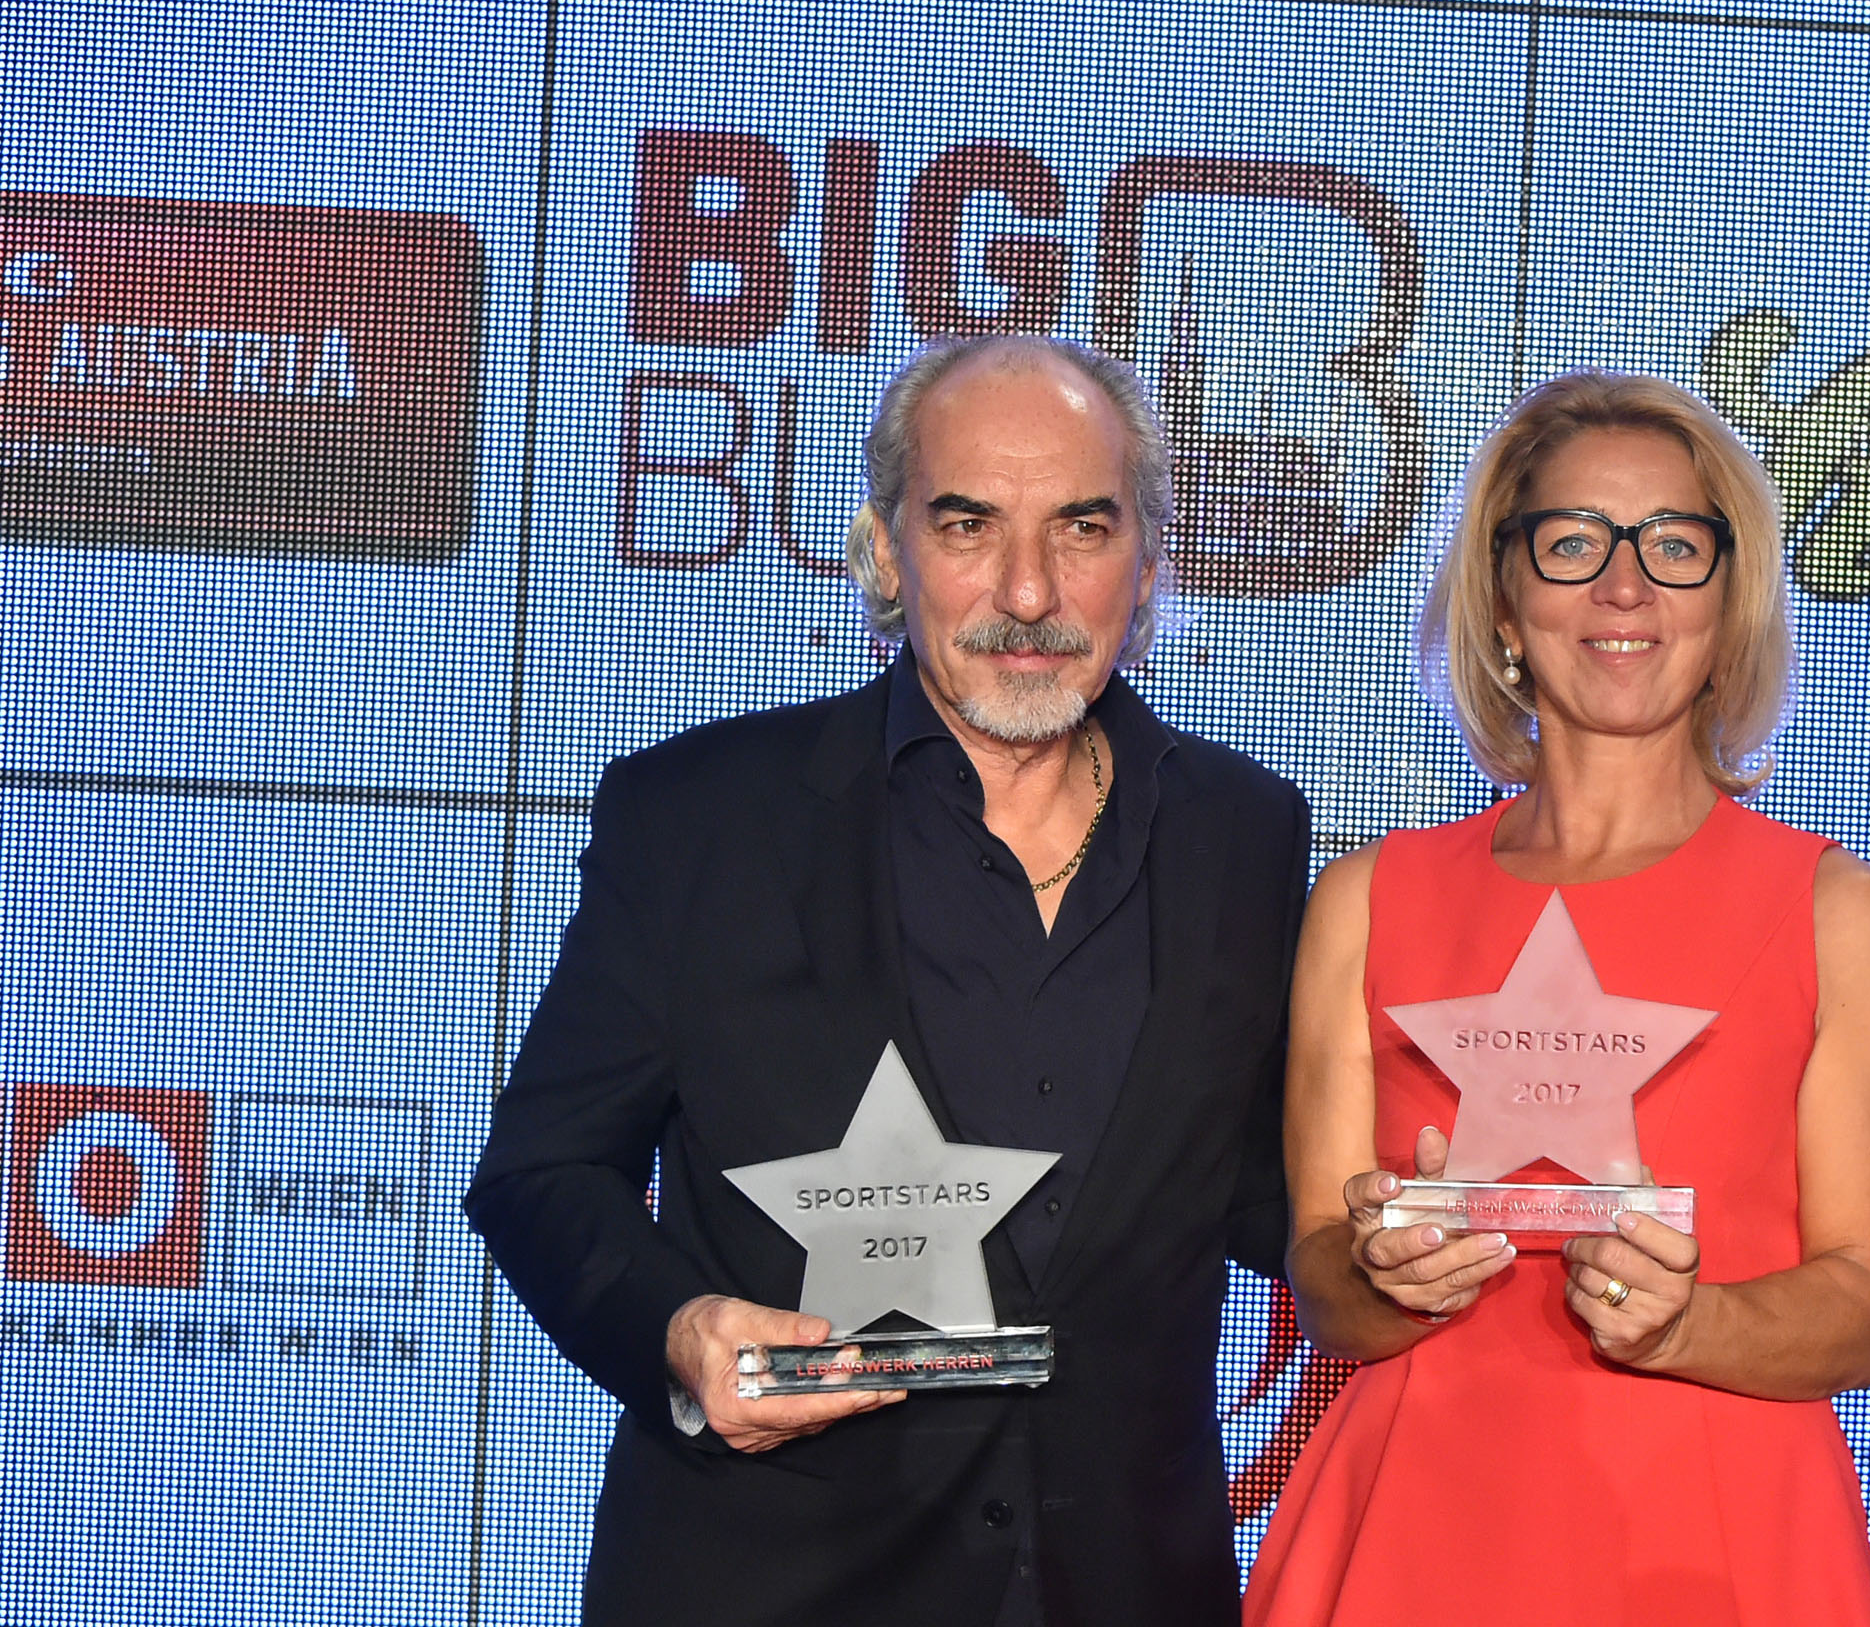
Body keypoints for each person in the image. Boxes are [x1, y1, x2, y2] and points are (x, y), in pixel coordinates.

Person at [466, 335, 1310, 1626]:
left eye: (1082, 527)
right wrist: (681, 1331)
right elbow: (542, 1172)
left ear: (1149, 561)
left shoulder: (1244, 835)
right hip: (774, 1590)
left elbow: (1251, 1189)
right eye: (968, 525)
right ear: (884, 550)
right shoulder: (703, 819)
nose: (1027, 590)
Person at [1243, 372, 1870, 1626]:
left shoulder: (1838, 914)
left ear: (1728, 601)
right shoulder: (1366, 901)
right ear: (1504, 600)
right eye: (1573, 543)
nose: (1626, 586)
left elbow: (1869, 1306)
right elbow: (1320, 1275)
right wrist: (1384, 1273)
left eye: (1674, 545)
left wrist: (1688, 1325)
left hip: (1712, 1542)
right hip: (1414, 1535)